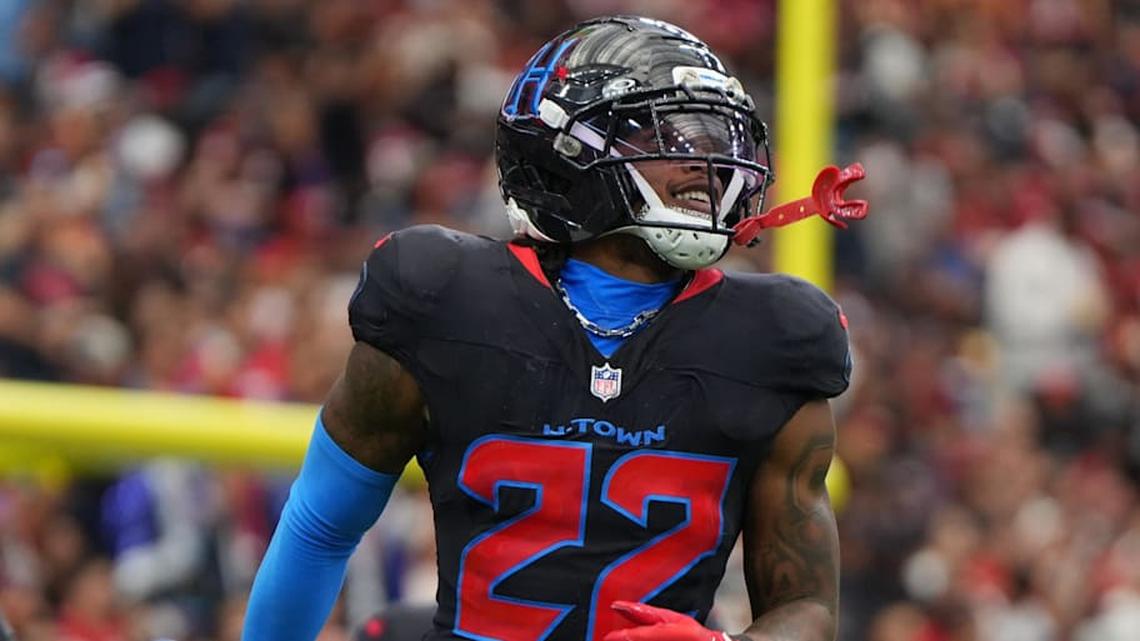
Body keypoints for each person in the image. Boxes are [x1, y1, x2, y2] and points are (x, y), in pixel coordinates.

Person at [242, 15, 864, 641]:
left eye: (712, 137)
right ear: (566, 146)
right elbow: (320, 527)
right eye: (667, 136)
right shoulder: (442, 300)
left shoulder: (773, 341)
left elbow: (808, 605)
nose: (705, 164)